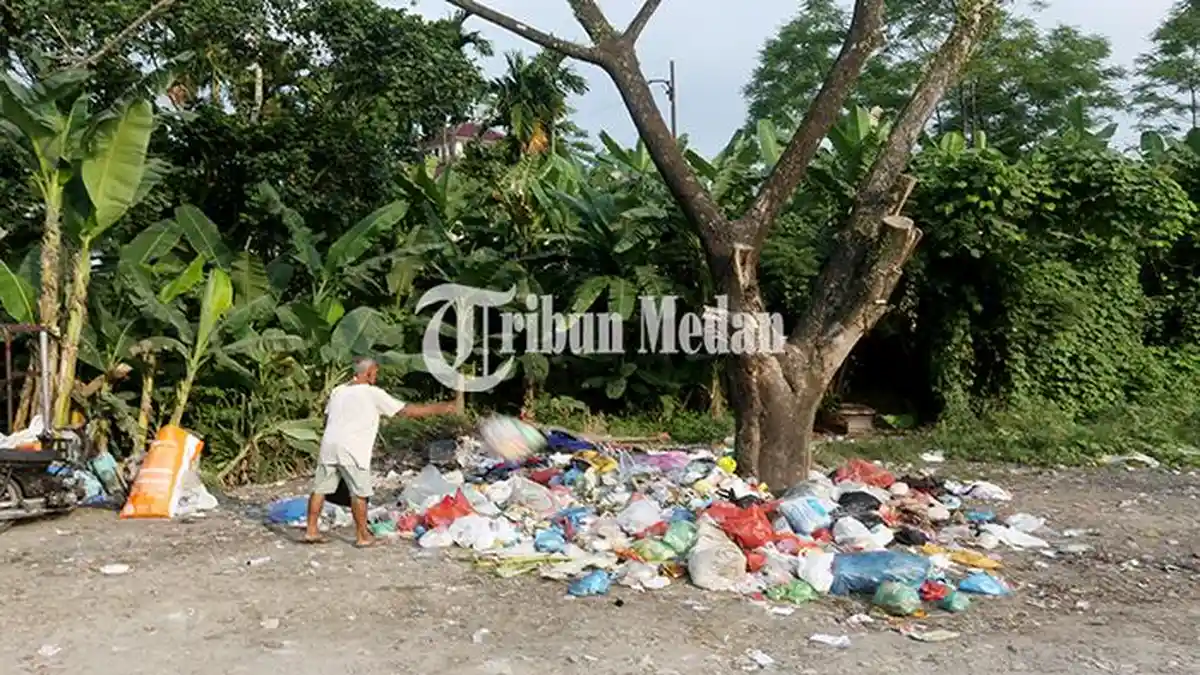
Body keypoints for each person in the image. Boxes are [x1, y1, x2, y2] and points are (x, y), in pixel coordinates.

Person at [304, 356, 456, 547]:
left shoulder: (338, 390)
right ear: (368, 373)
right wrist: (440, 408)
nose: (376, 376)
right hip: (353, 449)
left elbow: (327, 418)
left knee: (320, 489)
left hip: (329, 445)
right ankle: (362, 536)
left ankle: (311, 531)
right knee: (359, 493)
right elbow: (406, 411)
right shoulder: (372, 393)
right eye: (375, 373)